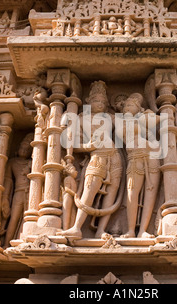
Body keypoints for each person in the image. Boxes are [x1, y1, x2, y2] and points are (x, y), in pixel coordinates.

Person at [58, 81, 123, 240]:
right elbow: (72, 144)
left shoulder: (110, 117)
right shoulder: (80, 119)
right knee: (89, 190)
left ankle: (101, 229)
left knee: (111, 192)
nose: (100, 104)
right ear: (88, 101)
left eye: (103, 102)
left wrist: (124, 107)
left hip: (114, 156)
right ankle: (76, 227)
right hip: (97, 155)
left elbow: (129, 125)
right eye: (96, 101)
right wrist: (87, 146)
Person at [117, 93, 160, 238]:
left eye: (130, 105)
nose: (126, 108)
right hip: (135, 157)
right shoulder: (122, 122)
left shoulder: (144, 117)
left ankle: (143, 230)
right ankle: (130, 229)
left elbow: (160, 121)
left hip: (152, 155)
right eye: (125, 106)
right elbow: (123, 134)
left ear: (139, 108)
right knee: (132, 192)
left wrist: (148, 113)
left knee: (150, 191)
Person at [1, 133, 34, 247]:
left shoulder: (33, 162)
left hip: (32, 192)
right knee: (14, 218)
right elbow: (8, 182)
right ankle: (6, 244)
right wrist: (5, 198)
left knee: (29, 218)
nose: (24, 151)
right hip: (18, 192)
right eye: (22, 148)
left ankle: (23, 241)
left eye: (27, 149)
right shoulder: (12, 162)